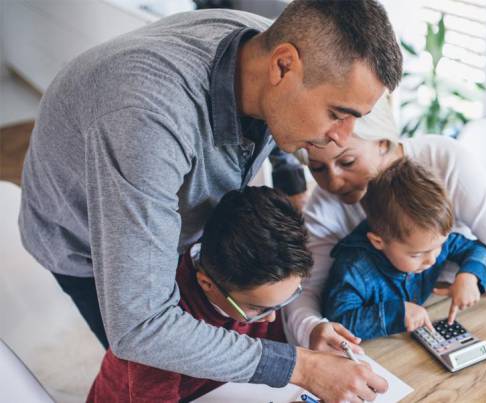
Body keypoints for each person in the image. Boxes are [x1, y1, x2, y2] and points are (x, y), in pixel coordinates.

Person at [18, 1, 401, 401]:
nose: (341, 137)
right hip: (85, 240)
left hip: (159, 201)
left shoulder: (263, 47)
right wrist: (300, 367)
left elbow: (282, 122)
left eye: (357, 117)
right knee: (151, 373)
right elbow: (142, 328)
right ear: (283, 66)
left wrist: (293, 192)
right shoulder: (147, 122)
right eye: (338, 113)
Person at [284, 95, 486, 349]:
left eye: (347, 161)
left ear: (383, 143)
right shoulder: (343, 246)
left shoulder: (442, 161)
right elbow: (312, 295)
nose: (333, 182)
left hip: (442, 313)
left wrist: (465, 274)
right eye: (316, 168)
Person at [88, 186, 309, 402]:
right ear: (206, 283)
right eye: (258, 310)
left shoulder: (253, 280)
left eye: (284, 301)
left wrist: (310, 329)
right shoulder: (163, 330)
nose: (271, 318)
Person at [323, 159, 486, 340]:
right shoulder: (354, 268)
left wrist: (469, 277)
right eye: (416, 255)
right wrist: (398, 312)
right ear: (378, 242)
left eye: (440, 246)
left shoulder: (430, 241)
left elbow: (479, 250)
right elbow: (337, 322)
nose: (432, 259)